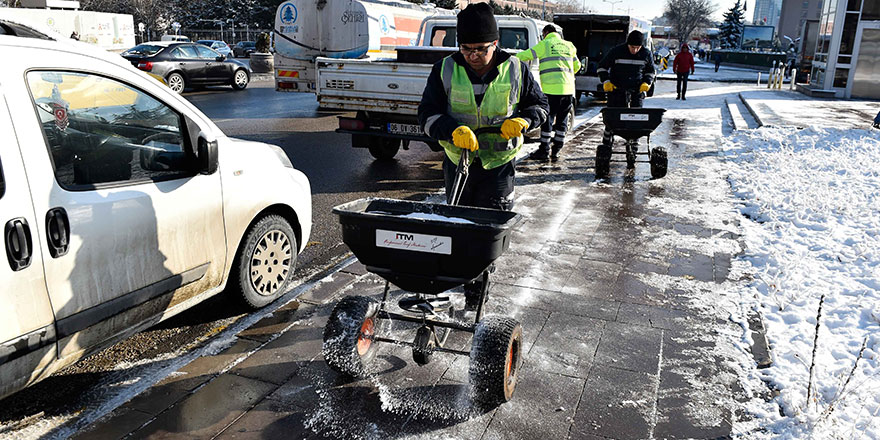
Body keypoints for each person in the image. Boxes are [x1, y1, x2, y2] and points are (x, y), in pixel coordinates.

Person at [418, 2, 547, 307]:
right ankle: (455, 275)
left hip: (498, 165)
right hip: (458, 162)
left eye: (480, 49)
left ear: (495, 44)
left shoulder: (516, 69)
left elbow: (540, 107)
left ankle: (477, 291)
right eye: (465, 48)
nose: (473, 55)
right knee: (458, 224)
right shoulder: (445, 69)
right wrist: (451, 131)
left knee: (488, 231)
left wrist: (524, 121)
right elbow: (426, 114)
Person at [516, 24, 581, 161]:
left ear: (545, 33)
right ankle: (557, 149)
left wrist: (508, 59)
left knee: (547, 119)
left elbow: (525, 55)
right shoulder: (569, 46)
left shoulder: (545, 44)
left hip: (550, 90)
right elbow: (577, 66)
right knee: (562, 119)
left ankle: (544, 149)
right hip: (568, 90)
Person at [596, 30, 655, 162]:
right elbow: (602, 67)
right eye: (632, 47)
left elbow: (650, 71)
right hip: (617, 91)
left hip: (636, 92)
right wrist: (606, 81)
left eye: (637, 47)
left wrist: (647, 82)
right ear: (627, 44)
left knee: (636, 122)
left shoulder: (646, 53)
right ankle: (606, 148)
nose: (634, 50)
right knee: (612, 121)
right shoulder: (616, 51)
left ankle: (633, 151)